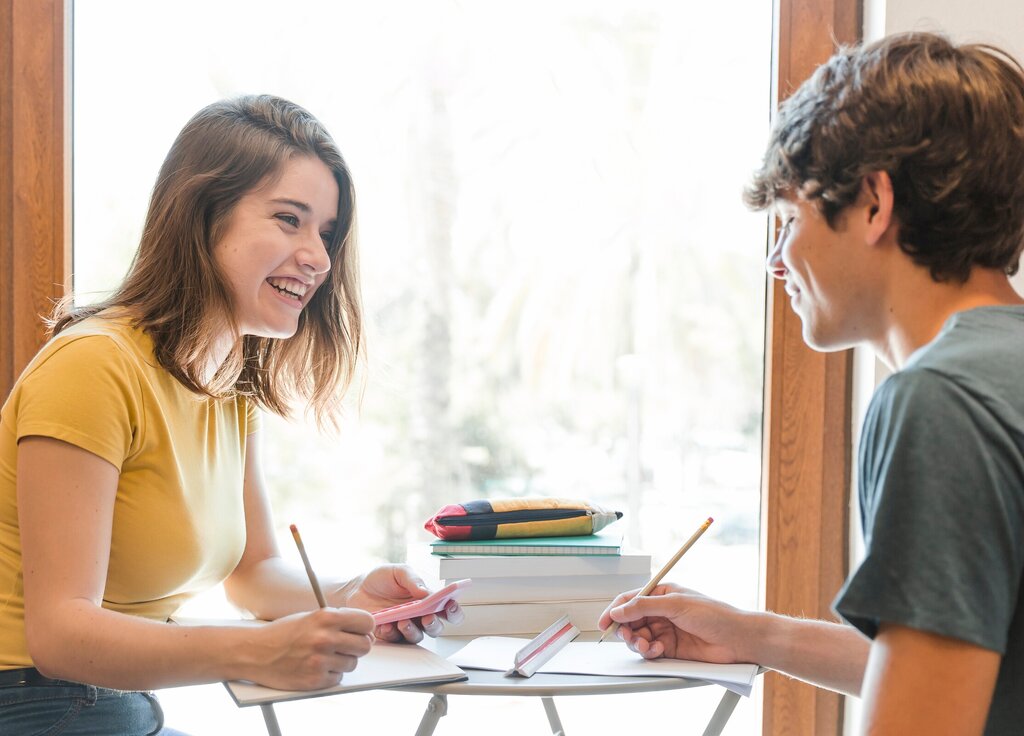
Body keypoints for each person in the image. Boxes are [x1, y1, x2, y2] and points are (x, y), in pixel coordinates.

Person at [599, 32, 1024, 735]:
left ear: (873, 203)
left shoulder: (940, 401)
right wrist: (753, 634)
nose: (777, 260)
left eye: (790, 219)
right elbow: (973, 669)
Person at [0, 95, 461, 735]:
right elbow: (60, 634)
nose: (319, 258)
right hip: (31, 704)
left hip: (113, 706)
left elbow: (254, 575)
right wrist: (258, 651)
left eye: (326, 233)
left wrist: (355, 591)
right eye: (289, 219)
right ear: (203, 216)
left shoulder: (227, 386)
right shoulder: (93, 367)